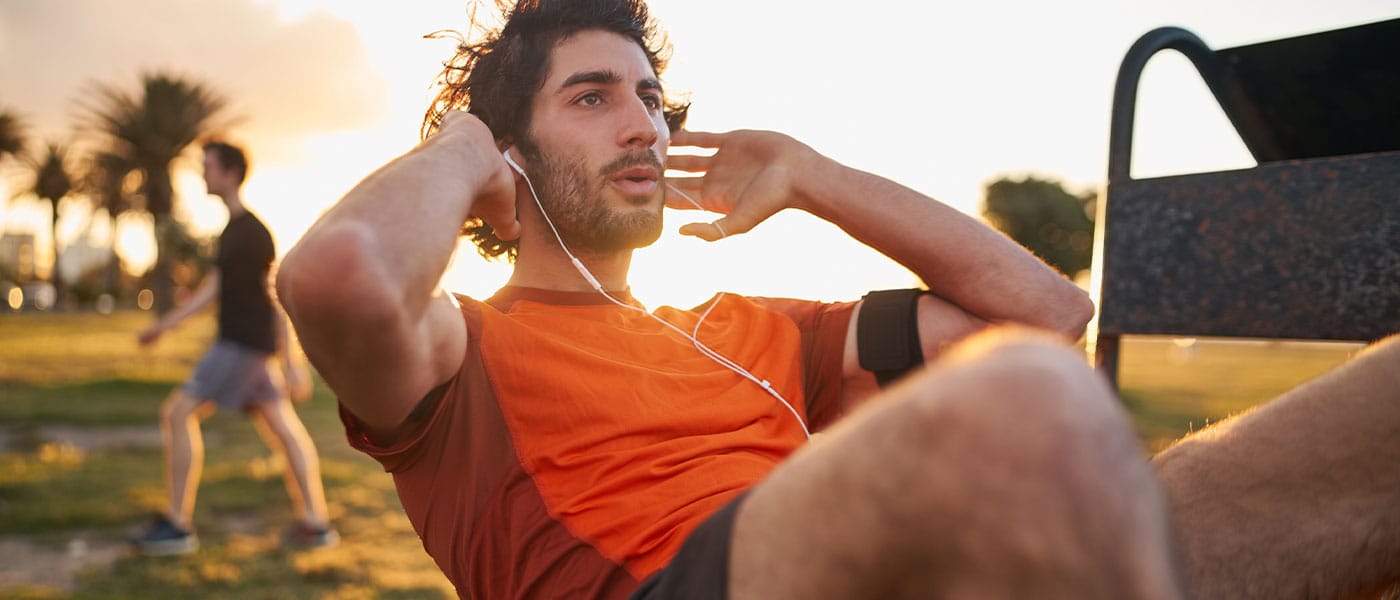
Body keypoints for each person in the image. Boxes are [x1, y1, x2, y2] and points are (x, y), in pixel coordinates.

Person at [277, 1, 1400, 598]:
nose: (645, 125)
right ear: (506, 160)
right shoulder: (455, 354)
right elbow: (338, 276)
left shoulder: (746, 330)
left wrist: (817, 177)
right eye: (592, 97)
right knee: (1027, 414)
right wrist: (469, 133)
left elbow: (1047, 313)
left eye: (651, 97)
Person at [131, 141, 338, 556]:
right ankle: (317, 524)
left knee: (177, 412)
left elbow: (267, 295)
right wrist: (166, 326)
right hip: (250, 348)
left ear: (229, 173)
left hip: (242, 345)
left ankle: (177, 525)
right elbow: (220, 289)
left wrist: (292, 361)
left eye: (208, 166)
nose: (203, 173)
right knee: (284, 428)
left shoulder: (251, 233)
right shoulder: (234, 231)